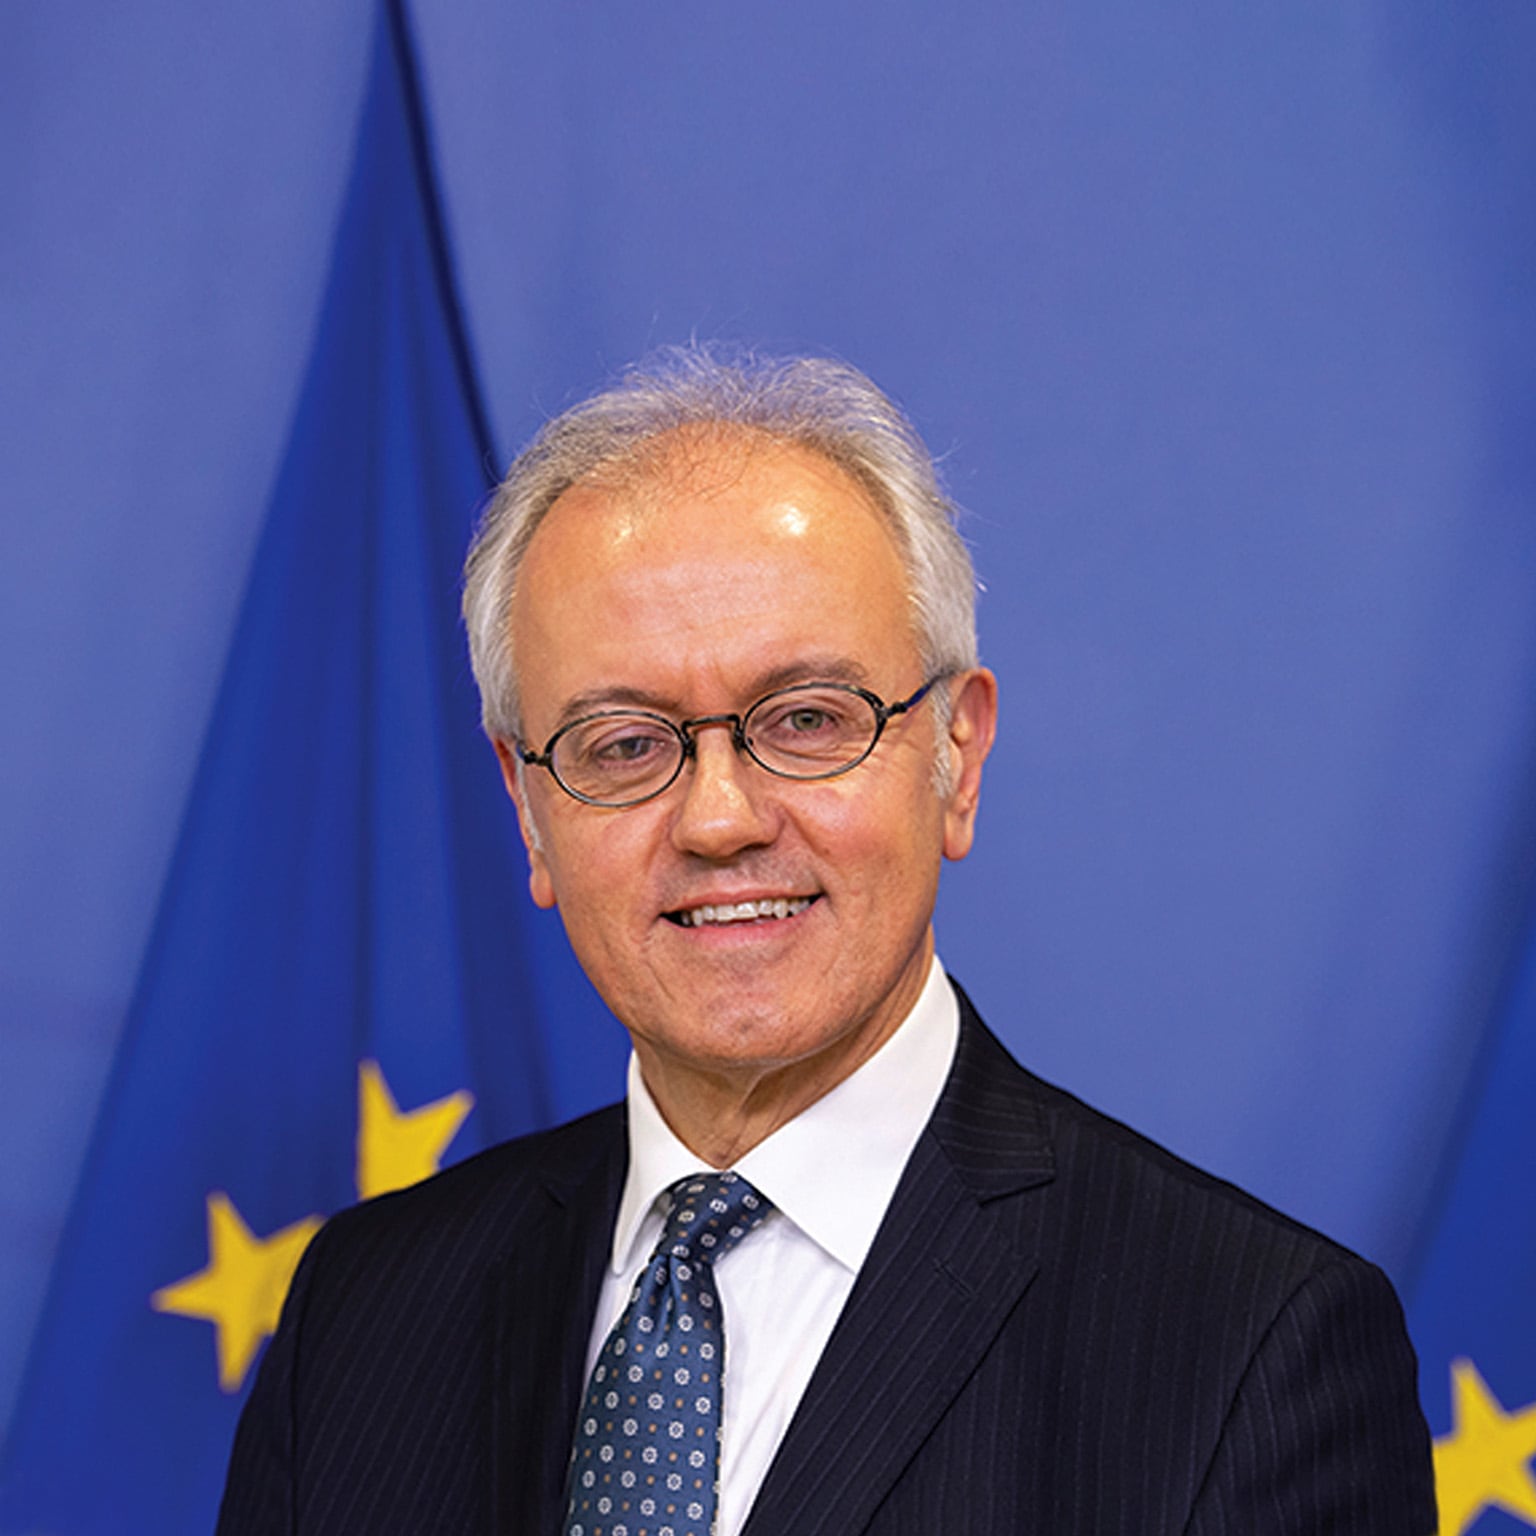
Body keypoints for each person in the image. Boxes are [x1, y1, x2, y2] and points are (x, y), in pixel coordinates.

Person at [218, 347, 1435, 1535]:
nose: (719, 820)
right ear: (529, 809)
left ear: (957, 758)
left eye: (806, 721)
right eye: (623, 744)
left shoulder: (1249, 1351)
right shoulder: (362, 1312)